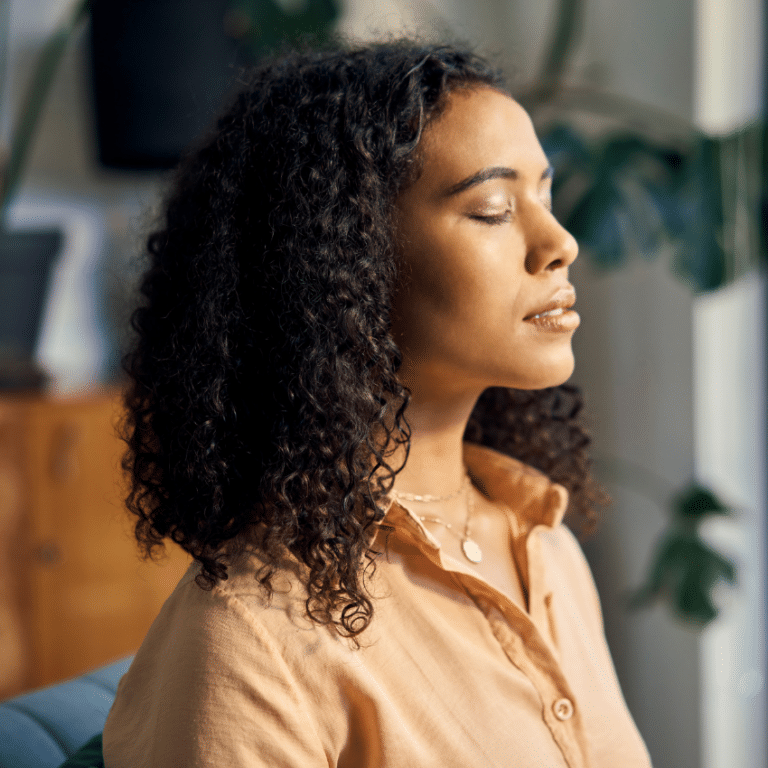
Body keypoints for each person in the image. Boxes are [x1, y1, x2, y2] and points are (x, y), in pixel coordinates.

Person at [102, 39, 653, 768]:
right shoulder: (248, 640)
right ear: (343, 264)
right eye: (491, 209)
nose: (559, 243)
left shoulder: (543, 542)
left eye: (545, 195)